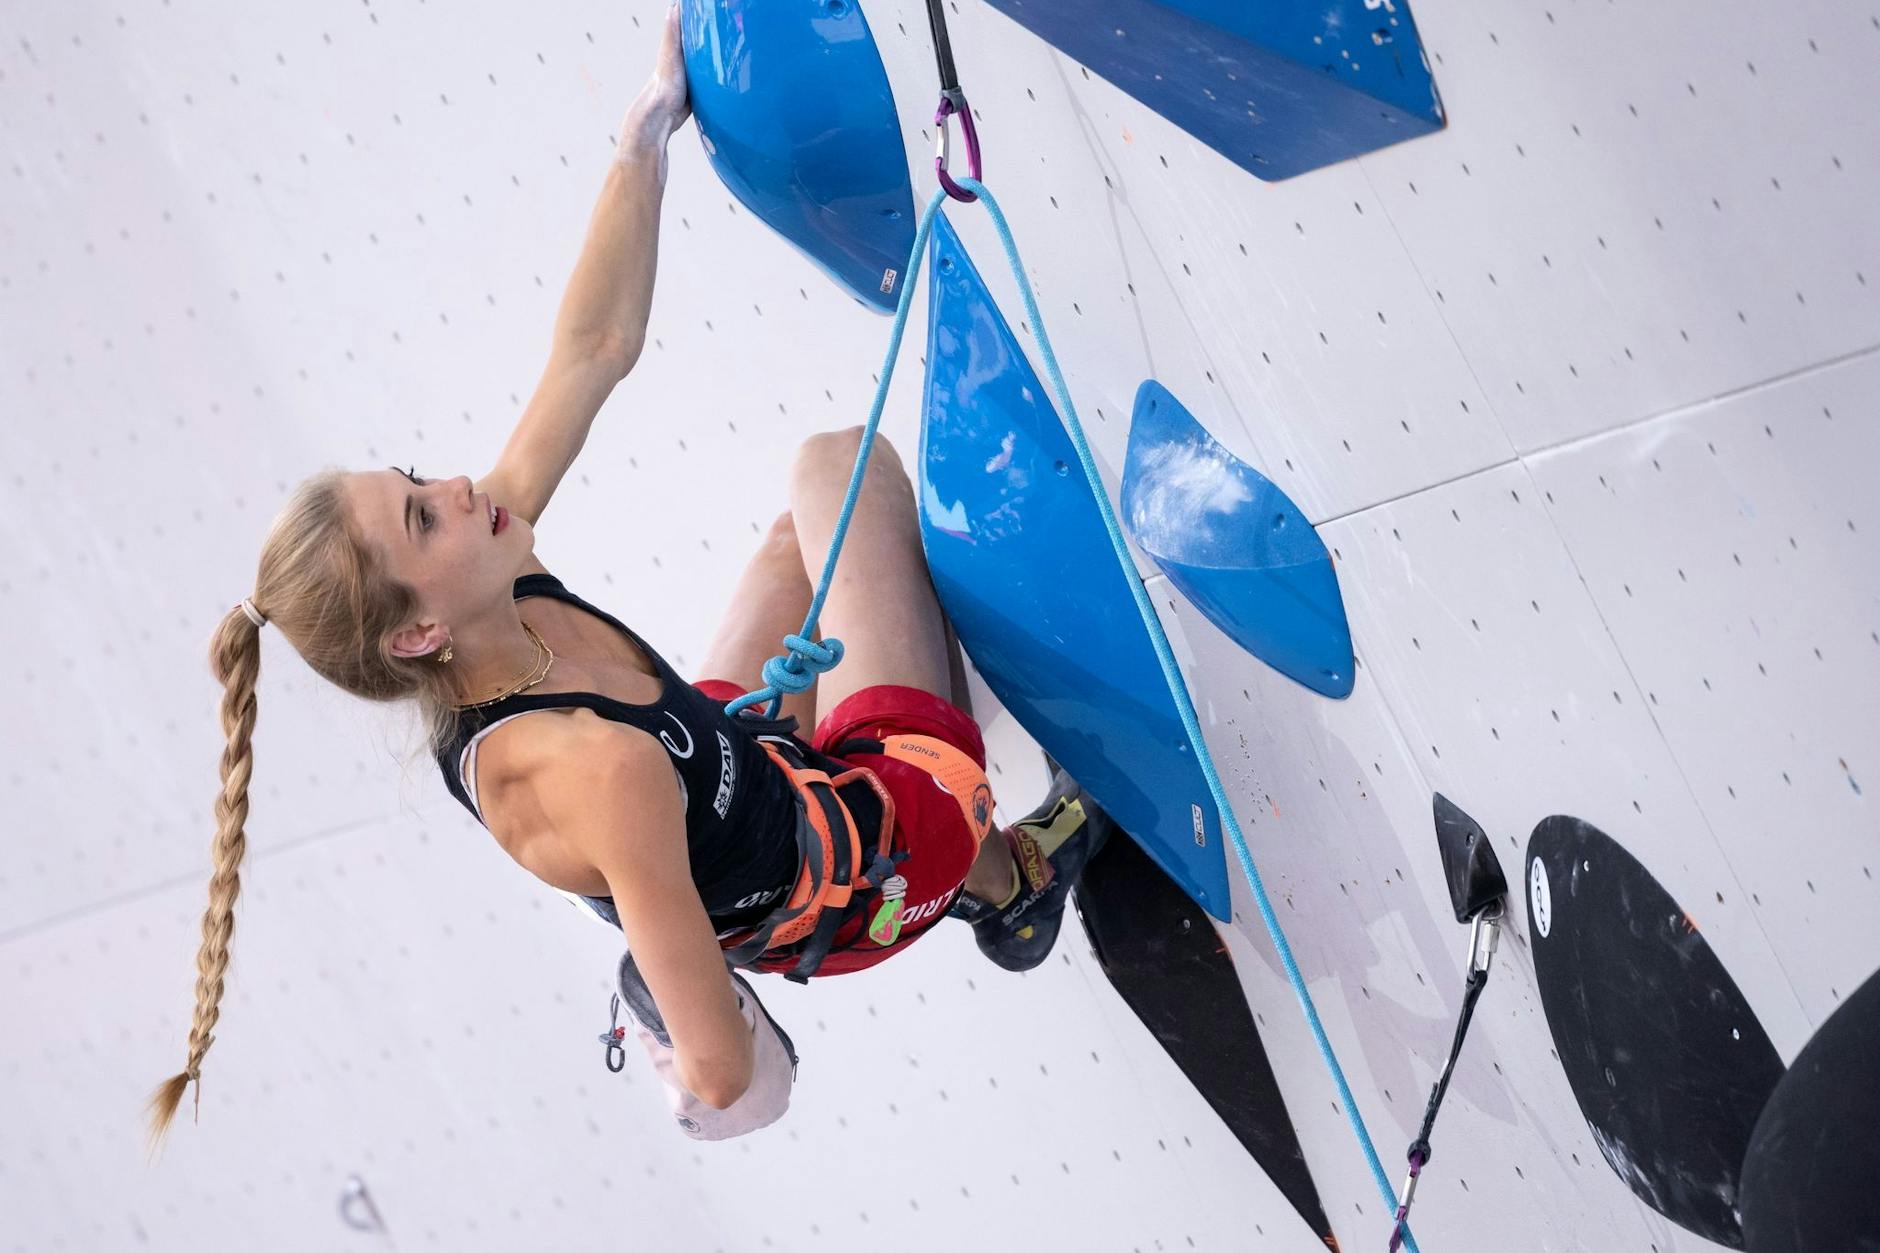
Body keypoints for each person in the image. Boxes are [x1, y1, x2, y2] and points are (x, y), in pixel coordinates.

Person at [144, 7, 1112, 1149]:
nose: (454, 482)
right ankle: (1005, 884)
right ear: (415, 632)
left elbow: (591, 351)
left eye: (412, 475)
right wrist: (681, 987)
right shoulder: (590, 769)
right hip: (867, 856)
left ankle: (872, 822)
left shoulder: (488, 587)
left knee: (795, 543)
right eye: (420, 513)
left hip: (738, 775)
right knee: (837, 465)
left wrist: (642, 137)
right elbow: (720, 1073)